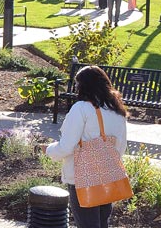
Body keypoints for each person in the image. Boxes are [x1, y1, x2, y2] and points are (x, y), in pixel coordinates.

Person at [45, 66, 128, 228]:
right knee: (102, 223)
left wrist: (48, 149)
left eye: (77, 85)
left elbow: (66, 146)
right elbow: (120, 147)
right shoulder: (117, 110)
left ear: (83, 86)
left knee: (87, 224)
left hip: (83, 178)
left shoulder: (81, 109)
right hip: (108, 176)